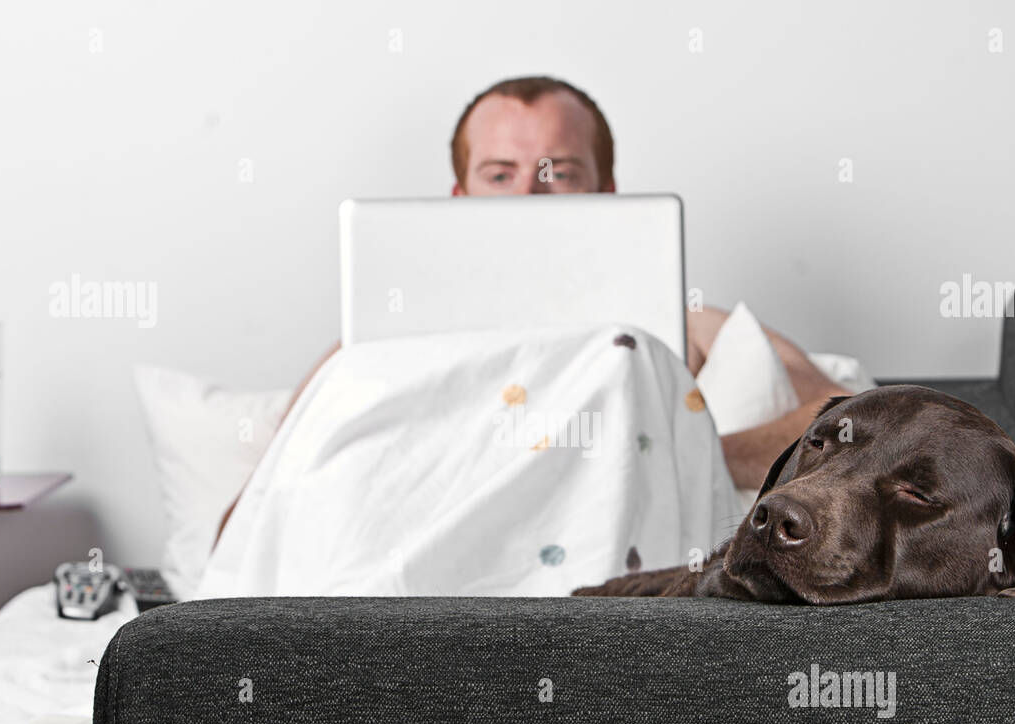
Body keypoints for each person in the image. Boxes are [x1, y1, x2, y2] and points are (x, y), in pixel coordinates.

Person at [218, 76, 848, 540]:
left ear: (606, 193)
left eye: (558, 172)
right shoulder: (370, 347)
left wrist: (683, 448)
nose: (527, 194)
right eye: (499, 174)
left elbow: (846, 425)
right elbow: (246, 522)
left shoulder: (687, 326)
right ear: (459, 195)